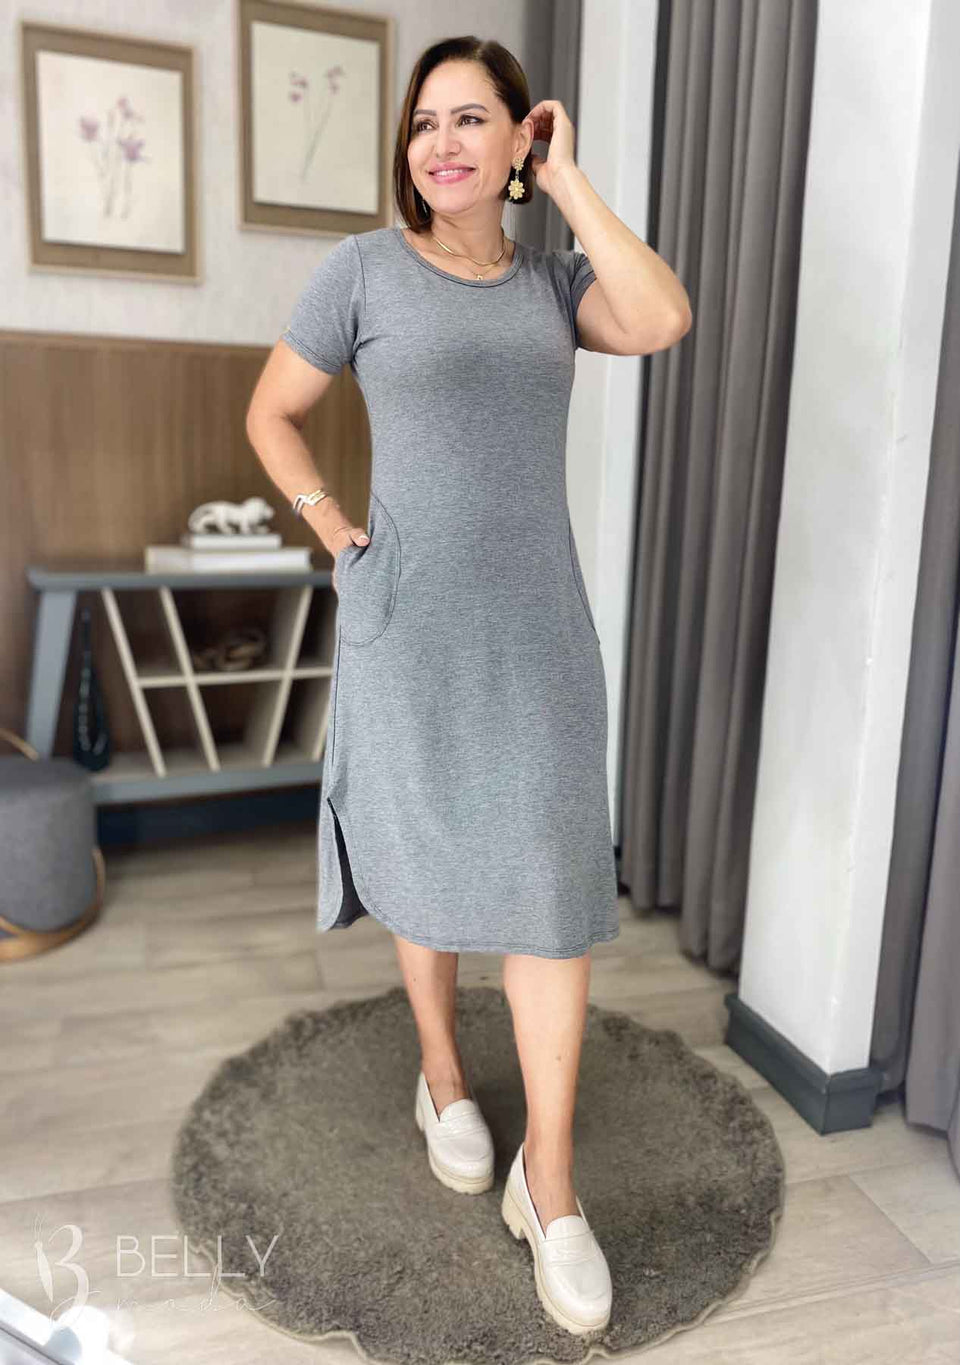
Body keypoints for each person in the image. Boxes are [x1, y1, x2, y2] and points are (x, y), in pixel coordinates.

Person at [246, 34, 691, 1337]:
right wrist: (337, 531)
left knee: (551, 889)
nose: (442, 141)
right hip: (409, 619)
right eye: (425, 121)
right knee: (427, 849)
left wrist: (570, 181)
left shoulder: (556, 287)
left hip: (539, 630)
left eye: (472, 119)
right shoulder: (362, 270)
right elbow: (272, 414)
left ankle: (548, 1186)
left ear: (516, 142)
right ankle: (442, 1073)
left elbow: (661, 317)